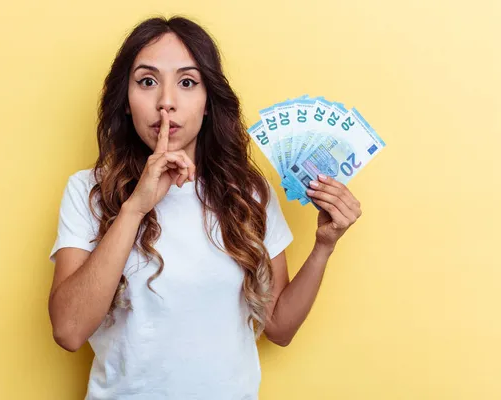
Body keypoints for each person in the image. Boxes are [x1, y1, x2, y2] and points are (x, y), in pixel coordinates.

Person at [47, 15, 362, 400]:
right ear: (125, 102)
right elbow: (68, 330)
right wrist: (135, 208)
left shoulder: (249, 192)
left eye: (187, 82)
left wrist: (324, 247)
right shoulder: (88, 191)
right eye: (147, 82)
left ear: (209, 101)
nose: (166, 102)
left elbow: (279, 327)